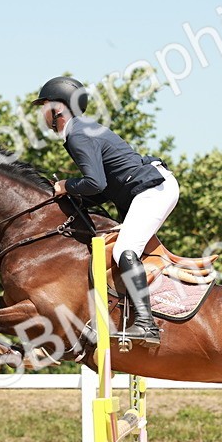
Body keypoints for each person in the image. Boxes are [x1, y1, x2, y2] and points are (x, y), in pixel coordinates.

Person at [32, 76, 179, 347]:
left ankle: (146, 325)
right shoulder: (81, 130)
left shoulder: (78, 134)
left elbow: (95, 183)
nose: (42, 113)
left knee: (125, 251)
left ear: (58, 109)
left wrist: (65, 185)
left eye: (45, 106)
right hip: (142, 191)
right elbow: (103, 187)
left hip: (153, 190)